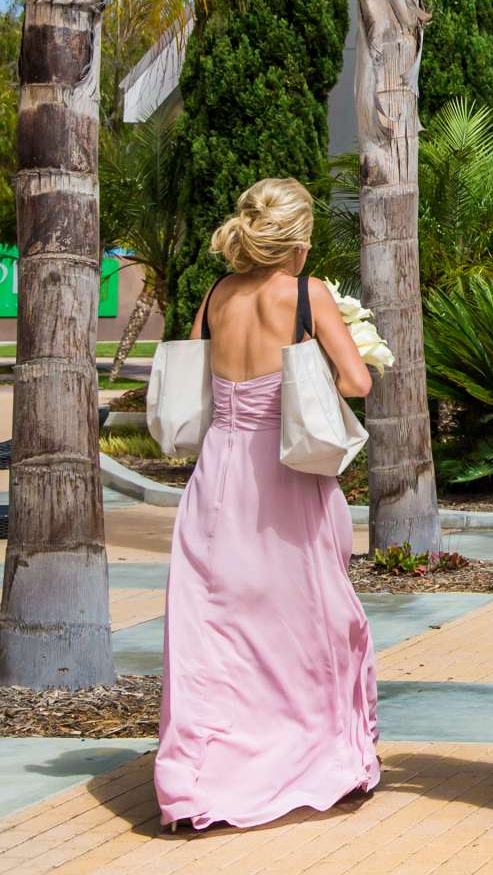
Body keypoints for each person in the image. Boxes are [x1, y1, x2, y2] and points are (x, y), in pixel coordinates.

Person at [154, 179, 379, 831]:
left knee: (216, 627)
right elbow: (356, 382)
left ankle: (204, 773)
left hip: (219, 475)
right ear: (298, 240)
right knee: (304, 619)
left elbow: (192, 374)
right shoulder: (305, 295)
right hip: (286, 476)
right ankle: (310, 760)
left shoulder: (217, 294)